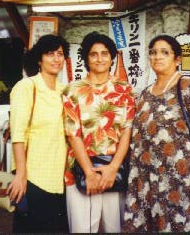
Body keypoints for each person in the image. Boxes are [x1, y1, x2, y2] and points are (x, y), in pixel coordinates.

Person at [123, 34, 190, 232]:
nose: (158, 57)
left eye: (165, 52)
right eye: (153, 53)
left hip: (180, 182)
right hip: (145, 181)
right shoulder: (144, 95)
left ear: (177, 59)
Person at [62, 31, 135, 233]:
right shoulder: (72, 90)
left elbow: (127, 131)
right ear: (86, 58)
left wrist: (112, 168)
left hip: (114, 169)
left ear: (112, 57)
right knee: (82, 229)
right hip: (79, 169)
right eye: (94, 54)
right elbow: (72, 133)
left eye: (105, 53)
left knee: (115, 228)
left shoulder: (124, 89)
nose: (100, 58)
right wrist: (88, 172)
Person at [6, 34, 70, 233]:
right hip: (33, 176)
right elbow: (17, 134)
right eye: (50, 54)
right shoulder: (27, 87)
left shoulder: (65, 90)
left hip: (60, 177)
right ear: (39, 59)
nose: (56, 59)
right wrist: (21, 175)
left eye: (60, 54)